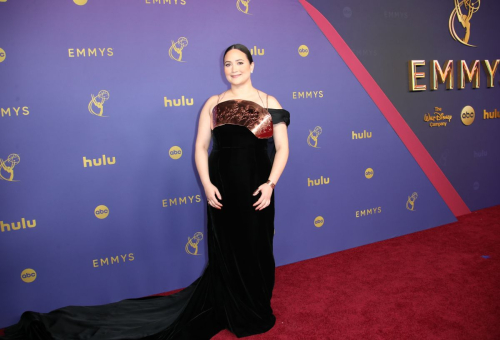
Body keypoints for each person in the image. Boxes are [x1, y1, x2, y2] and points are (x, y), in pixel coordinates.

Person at [1, 43, 290, 340]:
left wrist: (270, 184)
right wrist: (206, 184)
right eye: (228, 64)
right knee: (226, 249)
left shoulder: (268, 101)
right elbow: (201, 147)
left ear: (252, 65)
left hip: (257, 188)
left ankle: (254, 307)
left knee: (256, 246)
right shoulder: (214, 103)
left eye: (240, 62)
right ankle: (230, 305)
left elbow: (282, 149)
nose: (233, 69)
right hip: (221, 189)